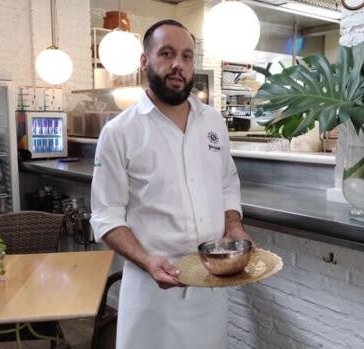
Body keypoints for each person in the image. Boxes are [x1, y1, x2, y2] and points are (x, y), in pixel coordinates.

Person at [90, 19, 253, 349]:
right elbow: (107, 216)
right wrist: (148, 260)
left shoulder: (213, 122)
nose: (178, 64)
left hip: (210, 287)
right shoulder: (120, 132)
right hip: (152, 294)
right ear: (144, 61)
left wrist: (233, 224)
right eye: (166, 53)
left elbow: (226, 182)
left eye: (187, 56)